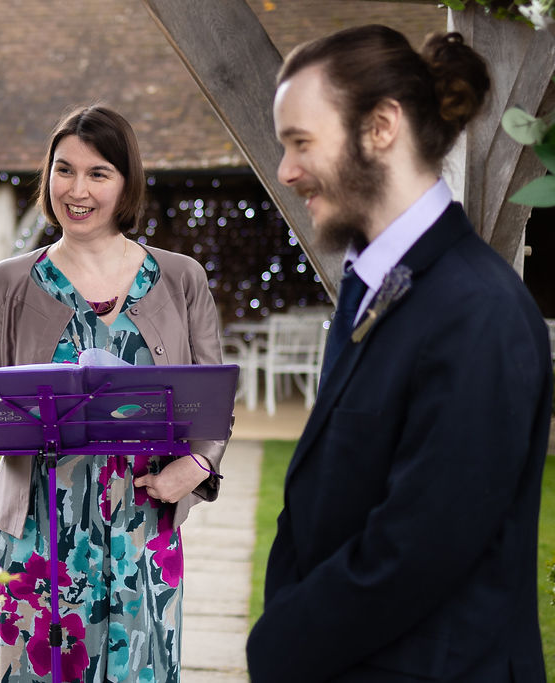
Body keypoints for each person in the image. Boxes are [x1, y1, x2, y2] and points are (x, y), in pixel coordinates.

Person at [246, 25, 551, 681]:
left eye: (302, 141)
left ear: (382, 126)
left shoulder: (479, 312)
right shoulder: (378, 282)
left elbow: (418, 549)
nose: (287, 170)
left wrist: (278, 645)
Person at [0, 105, 229, 683]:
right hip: (37, 529)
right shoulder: (6, 284)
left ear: (125, 183)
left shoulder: (181, 279)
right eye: (64, 170)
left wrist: (194, 465)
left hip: (144, 522)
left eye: (98, 173)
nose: (77, 189)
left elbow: (214, 401)